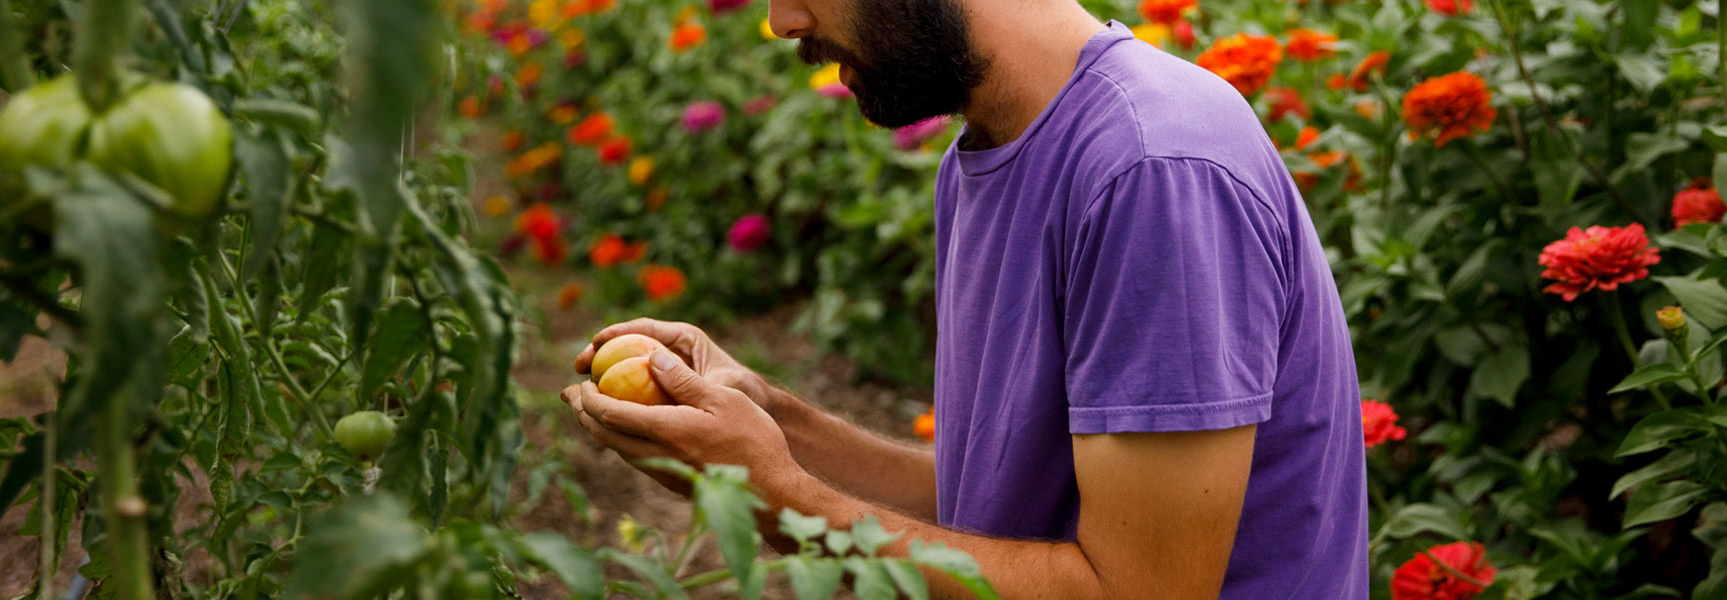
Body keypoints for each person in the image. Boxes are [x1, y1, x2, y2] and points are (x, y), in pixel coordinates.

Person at [559, 0, 1368, 596]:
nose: (782, 20)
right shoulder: (986, 153)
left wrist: (781, 500)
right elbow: (995, 501)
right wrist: (774, 424)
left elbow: (1135, 590)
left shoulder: (1151, 167)